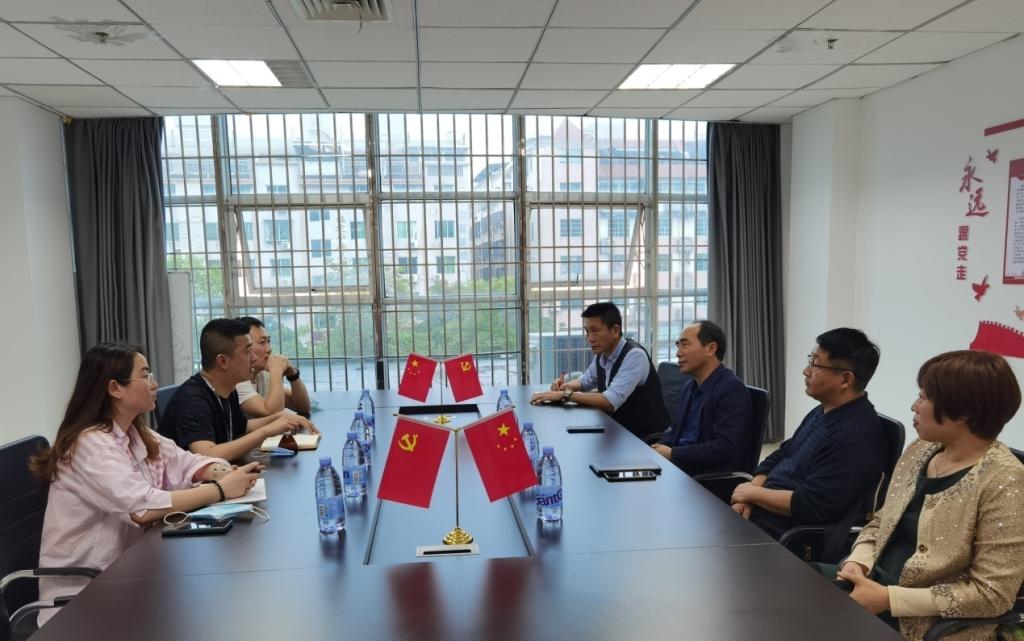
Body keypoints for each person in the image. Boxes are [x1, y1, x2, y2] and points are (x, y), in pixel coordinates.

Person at [29, 343, 262, 626]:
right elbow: (142, 508)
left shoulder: (134, 432)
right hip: (83, 599)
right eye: (145, 375)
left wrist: (219, 472)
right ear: (115, 388)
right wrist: (220, 490)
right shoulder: (90, 445)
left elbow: (184, 461)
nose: (154, 383)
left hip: (132, 576)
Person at [835, 350, 1024, 640]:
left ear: (962, 412)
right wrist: (857, 562)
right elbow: (882, 521)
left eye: (923, 397)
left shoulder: (1005, 481)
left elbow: (992, 595)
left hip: (922, 623)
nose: (914, 405)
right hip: (870, 584)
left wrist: (889, 599)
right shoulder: (921, 450)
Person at [731, 328, 886, 539]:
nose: (806, 371)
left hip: (783, 536)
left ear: (845, 379)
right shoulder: (823, 410)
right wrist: (749, 495)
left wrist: (753, 494)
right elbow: (782, 454)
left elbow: (812, 504)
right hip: (758, 513)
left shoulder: (853, 436)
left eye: (815, 364)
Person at [159, 318, 318, 462]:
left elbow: (242, 426)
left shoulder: (227, 388)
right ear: (223, 361)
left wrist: (280, 417)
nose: (253, 358)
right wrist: (267, 430)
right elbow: (207, 454)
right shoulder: (193, 399)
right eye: (247, 351)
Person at [529, 301, 669, 439]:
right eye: (587, 331)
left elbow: (609, 401)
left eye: (595, 331)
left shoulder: (635, 356)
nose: (590, 338)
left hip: (650, 439)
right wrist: (565, 386)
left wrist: (563, 395)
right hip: (620, 432)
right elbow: (585, 381)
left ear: (615, 330)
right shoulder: (603, 354)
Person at [651, 321, 753, 475]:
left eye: (685, 345)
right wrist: (655, 449)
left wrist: (673, 453)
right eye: (678, 345)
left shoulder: (732, 390)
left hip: (704, 477)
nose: (678, 353)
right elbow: (676, 432)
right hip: (680, 467)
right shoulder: (690, 386)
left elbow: (725, 449)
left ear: (711, 349)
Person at [235, 316, 311, 419]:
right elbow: (271, 413)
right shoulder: (237, 381)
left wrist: (293, 375)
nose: (269, 349)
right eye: (262, 342)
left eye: (268, 341)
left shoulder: (262, 374)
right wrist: (276, 372)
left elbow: (303, 407)